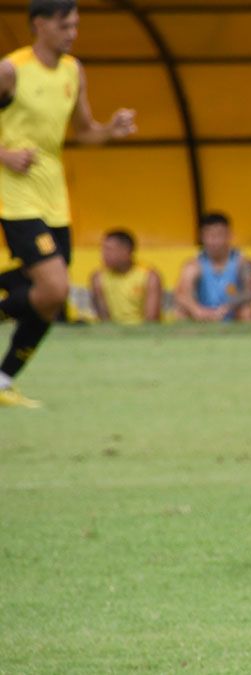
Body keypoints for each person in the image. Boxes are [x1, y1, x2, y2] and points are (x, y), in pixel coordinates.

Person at [0, 0, 136, 408]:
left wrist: (110, 129)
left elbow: (85, 131)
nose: (72, 33)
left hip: (55, 198)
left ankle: (3, 381)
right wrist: (5, 155)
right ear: (39, 25)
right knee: (55, 286)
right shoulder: (11, 70)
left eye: (76, 25)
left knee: (50, 298)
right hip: (15, 196)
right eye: (64, 26)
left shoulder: (74, 71)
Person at [174, 212, 251, 323]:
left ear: (229, 235)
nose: (215, 241)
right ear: (202, 237)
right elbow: (181, 294)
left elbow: (250, 291)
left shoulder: (243, 262)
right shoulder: (193, 265)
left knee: (247, 311)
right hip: (202, 316)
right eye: (210, 236)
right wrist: (198, 310)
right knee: (181, 311)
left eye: (219, 235)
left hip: (231, 313)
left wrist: (227, 308)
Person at [89, 229, 161, 324]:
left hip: (141, 330)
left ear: (126, 251)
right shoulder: (98, 278)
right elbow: (104, 319)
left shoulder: (149, 276)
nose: (103, 254)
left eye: (109, 249)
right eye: (102, 249)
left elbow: (151, 319)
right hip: (112, 331)